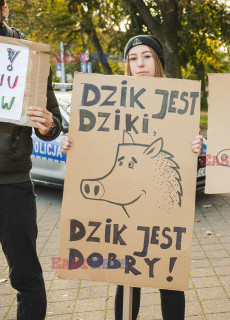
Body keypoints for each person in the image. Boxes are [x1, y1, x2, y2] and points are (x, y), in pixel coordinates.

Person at [61, 35, 203, 320]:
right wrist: (72, 145)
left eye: (147, 56)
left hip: (162, 217)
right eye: (133, 58)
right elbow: (99, 149)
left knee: (169, 280)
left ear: (158, 61)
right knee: (126, 281)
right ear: (127, 64)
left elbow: (186, 153)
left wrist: (198, 148)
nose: (140, 63)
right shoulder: (112, 101)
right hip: (123, 216)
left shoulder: (179, 101)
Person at [0, 1, 62, 319]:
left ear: (4, 10)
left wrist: (48, 124)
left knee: (27, 282)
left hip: (13, 188)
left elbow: (54, 126)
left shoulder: (30, 59)